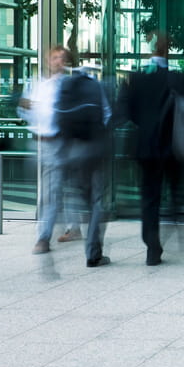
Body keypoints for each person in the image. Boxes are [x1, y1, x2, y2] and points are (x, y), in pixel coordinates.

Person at [120, 32, 184, 266]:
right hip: (172, 148)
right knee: (175, 192)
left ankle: (152, 246)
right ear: (167, 50)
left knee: (149, 198)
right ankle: (174, 223)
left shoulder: (135, 79)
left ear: (150, 49)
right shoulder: (178, 78)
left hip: (146, 147)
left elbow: (127, 113)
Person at [56, 65, 113, 267]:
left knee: (85, 198)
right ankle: (93, 253)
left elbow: (57, 118)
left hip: (72, 151)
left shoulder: (65, 87)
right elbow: (107, 115)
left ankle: (77, 230)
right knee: (98, 201)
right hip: (94, 150)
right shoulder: (96, 86)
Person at [18, 45, 70, 256]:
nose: (58, 61)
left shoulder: (67, 86)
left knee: (49, 193)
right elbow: (24, 111)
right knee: (52, 191)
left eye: (62, 58)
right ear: (49, 61)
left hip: (59, 143)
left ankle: (43, 237)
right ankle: (72, 226)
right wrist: (26, 108)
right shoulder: (38, 85)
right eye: (55, 57)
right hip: (39, 143)